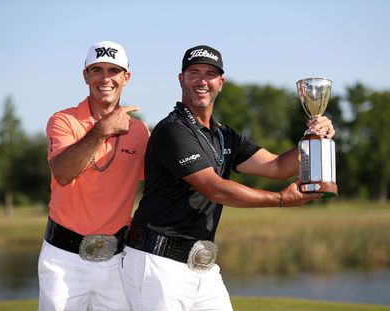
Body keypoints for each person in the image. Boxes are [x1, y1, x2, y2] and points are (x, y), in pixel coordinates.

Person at [119, 45, 336, 311]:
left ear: (220, 83)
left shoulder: (223, 134)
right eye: (194, 73)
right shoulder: (173, 130)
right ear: (181, 79)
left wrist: (313, 136)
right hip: (157, 263)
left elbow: (277, 166)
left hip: (202, 266)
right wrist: (281, 199)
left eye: (210, 74)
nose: (202, 81)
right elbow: (216, 189)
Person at [38, 40, 150, 311]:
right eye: (97, 70)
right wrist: (103, 130)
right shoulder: (63, 120)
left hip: (117, 260)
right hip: (63, 259)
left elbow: (157, 188)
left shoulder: (139, 132)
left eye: (113, 71)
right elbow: (63, 173)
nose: (105, 78)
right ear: (85, 75)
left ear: (126, 77)